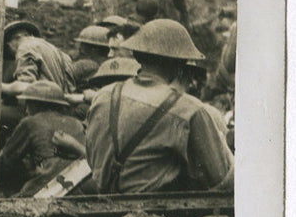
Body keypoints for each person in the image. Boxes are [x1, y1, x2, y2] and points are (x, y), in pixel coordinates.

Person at [83, 19, 234, 193]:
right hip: (157, 215)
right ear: (180, 64)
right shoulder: (188, 109)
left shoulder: (104, 95)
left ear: (137, 55)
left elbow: (92, 157)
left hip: (103, 205)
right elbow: (221, 181)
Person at [0, 80, 86, 195]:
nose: (26, 110)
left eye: (28, 104)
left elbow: (5, 161)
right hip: (79, 185)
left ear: (35, 105)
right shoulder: (76, 123)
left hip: (48, 188)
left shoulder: (31, 122)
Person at [70, 24, 112, 90]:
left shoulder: (85, 65)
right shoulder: (111, 65)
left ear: (94, 48)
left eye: (83, 44)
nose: (80, 48)